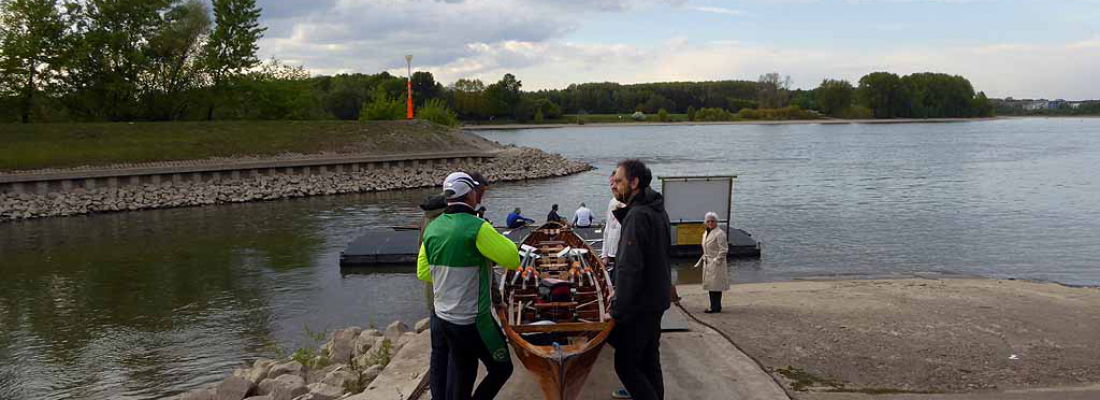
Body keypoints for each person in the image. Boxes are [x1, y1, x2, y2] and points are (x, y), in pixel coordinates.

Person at [418, 172, 520, 400]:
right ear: (470, 194)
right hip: (474, 320)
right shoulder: (478, 227)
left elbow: (423, 271)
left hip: (444, 317)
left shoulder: (432, 228)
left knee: (464, 371)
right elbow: (512, 258)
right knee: (502, 368)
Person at [608, 159, 672, 400]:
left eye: (619, 181)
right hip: (656, 299)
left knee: (625, 365)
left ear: (634, 183)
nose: (614, 185)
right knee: (648, 361)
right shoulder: (658, 209)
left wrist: (616, 310)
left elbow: (629, 268)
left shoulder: (637, 215)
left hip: (641, 305)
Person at [694, 212, 729, 313]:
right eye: (708, 221)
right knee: (711, 286)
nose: (710, 223)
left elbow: (724, 250)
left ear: (716, 222)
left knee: (716, 286)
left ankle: (716, 307)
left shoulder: (720, 233)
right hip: (707, 261)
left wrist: (716, 261)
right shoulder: (706, 232)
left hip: (715, 263)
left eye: (712, 221)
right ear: (705, 222)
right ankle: (714, 306)